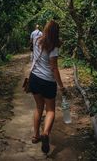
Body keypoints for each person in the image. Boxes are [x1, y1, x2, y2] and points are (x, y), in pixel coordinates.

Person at [28, 20, 66, 154]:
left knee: (38, 107)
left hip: (34, 78)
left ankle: (36, 135)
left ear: (45, 29)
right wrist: (61, 87)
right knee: (50, 110)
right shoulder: (54, 47)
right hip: (48, 82)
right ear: (56, 32)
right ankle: (45, 133)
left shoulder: (37, 39)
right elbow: (54, 68)